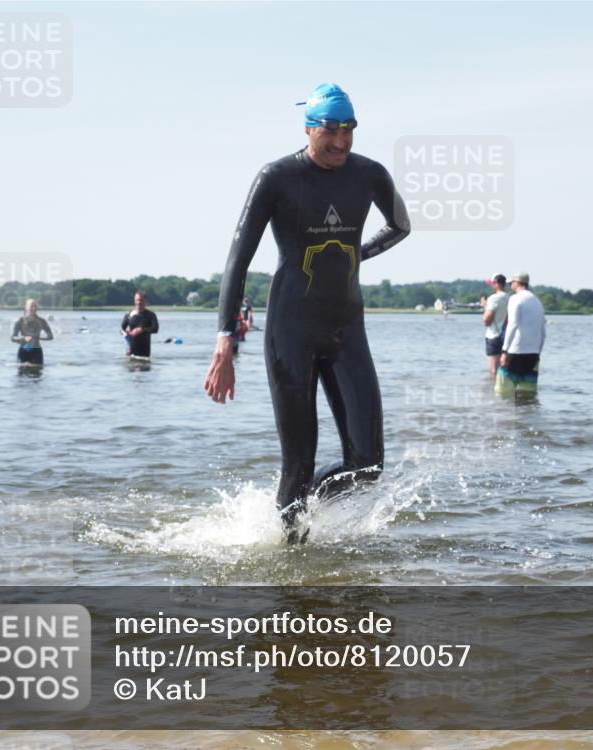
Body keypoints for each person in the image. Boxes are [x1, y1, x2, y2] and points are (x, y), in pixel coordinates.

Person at [203, 83, 411, 542]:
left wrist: (355, 251)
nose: (340, 140)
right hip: (290, 331)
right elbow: (237, 260)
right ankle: (291, 556)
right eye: (330, 130)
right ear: (309, 128)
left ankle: (299, 517)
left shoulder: (370, 175)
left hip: (346, 330)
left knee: (369, 464)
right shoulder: (276, 178)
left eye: (349, 130)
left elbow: (401, 225)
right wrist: (224, 341)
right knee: (298, 462)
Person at [496, 272, 546, 398]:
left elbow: (512, 325)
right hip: (533, 356)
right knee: (528, 396)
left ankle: (506, 417)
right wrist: (538, 353)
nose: (510, 286)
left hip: (515, 353)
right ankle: (527, 417)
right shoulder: (537, 302)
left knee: (502, 394)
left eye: (511, 283)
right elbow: (543, 332)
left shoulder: (515, 299)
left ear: (517, 283)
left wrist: (504, 351)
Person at [480, 274, 509, 378]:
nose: (491, 286)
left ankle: (493, 392)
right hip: (506, 336)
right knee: (504, 367)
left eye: (492, 283)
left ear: (496, 284)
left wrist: (485, 307)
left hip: (494, 336)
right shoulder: (509, 297)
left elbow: (486, 321)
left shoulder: (493, 298)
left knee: (493, 370)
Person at [11, 298, 54, 365]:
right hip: (23, 349)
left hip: (36, 350)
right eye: (31, 306)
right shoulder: (20, 321)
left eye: (35, 306)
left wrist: (38, 338)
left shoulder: (42, 321)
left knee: (37, 372)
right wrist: (23, 338)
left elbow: (50, 337)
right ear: (26, 307)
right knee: (21, 371)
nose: (33, 308)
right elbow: (13, 338)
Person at [121, 291, 159, 358]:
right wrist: (126, 334)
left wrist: (141, 329)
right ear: (134, 301)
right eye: (137, 300)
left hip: (144, 352)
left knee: (143, 367)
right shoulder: (129, 315)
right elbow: (122, 329)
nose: (139, 302)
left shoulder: (150, 315)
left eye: (141, 300)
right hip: (131, 352)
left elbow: (155, 329)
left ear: (145, 301)